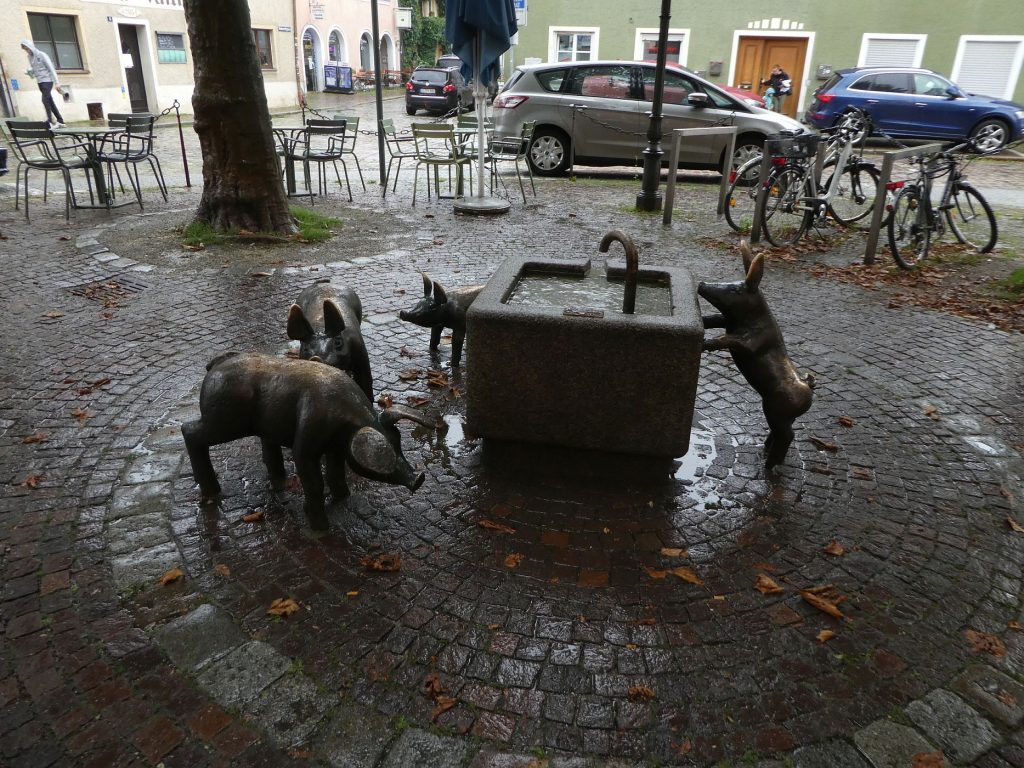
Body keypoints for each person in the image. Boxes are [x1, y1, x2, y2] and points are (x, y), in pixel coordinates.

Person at [21, 40, 64, 127]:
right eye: (25, 49)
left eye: (27, 48)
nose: (27, 50)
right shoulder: (29, 57)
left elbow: (51, 68)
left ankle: (50, 121)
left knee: (44, 100)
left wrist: (57, 83)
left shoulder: (42, 55)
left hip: (47, 80)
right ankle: (61, 121)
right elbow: (34, 71)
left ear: (30, 46)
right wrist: (29, 72)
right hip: (39, 81)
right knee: (49, 101)